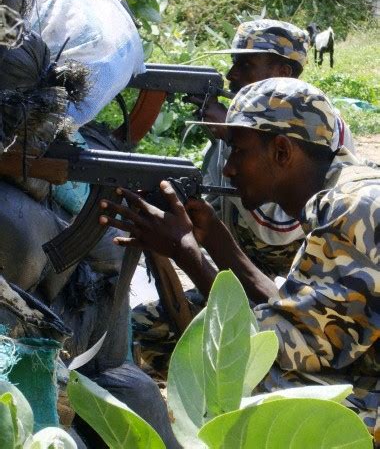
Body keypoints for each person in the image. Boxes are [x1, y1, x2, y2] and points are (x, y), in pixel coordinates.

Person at [99, 78, 380, 443]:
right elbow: (290, 312)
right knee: (163, 326)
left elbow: (285, 347)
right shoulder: (348, 191)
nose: (229, 168)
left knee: (248, 382)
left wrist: (189, 256)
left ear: (281, 151)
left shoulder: (354, 209)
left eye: (238, 151)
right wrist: (215, 240)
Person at [192, 19, 355, 278]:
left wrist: (228, 133)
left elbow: (279, 229)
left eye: (246, 65)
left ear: (283, 73)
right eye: (234, 62)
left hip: (288, 282)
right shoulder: (245, 124)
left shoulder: (320, 127)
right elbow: (217, 197)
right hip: (245, 274)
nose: (231, 74)